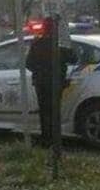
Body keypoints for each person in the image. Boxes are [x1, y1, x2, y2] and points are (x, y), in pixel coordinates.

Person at [26, 16, 77, 147]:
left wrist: (39, 71)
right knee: (55, 112)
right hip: (56, 83)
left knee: (44, 112)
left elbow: (29, 63)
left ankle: (46, 140)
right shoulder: (61, 45)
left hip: (41, 83)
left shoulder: (37, 44)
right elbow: (74, 59)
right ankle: (56, 140)